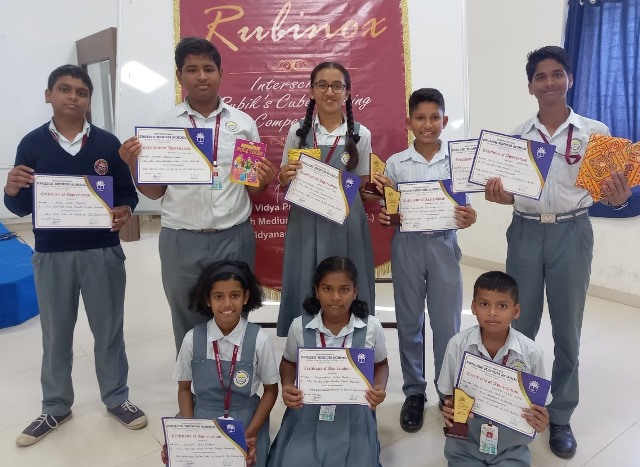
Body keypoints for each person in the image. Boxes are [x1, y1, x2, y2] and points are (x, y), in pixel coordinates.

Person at [484, 46, 631, 459]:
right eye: (540, 76)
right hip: (526, 233)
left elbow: (610, 192)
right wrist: (498, 195)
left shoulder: (595, 134)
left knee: (568, 329)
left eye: (557, 74)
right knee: (521, 325)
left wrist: (619, 200)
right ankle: (518, 405)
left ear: (569, 79)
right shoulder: (515, 138)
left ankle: (561, 415)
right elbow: (509, 191)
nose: (549, 82)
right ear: (530, 86)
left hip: (573, 232)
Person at [3, 65, 145, 447]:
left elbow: (127, 194)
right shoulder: (32, 144)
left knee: (109, 331)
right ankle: (55, 406)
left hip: (102, 252)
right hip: (52, 255)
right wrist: (10, 189)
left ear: (89, 100)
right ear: (48, 95)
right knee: (56, 333)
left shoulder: (105, 143)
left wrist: (125, 211)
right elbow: (18, 207)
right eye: (64, 90)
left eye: (81, 92)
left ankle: (116, 397)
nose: (73, 97)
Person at [118, 37, 276, 354]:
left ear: (220, 73)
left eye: (208, 69)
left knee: (234, 316)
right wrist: (134, 166)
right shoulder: (163, 126)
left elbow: (252, 187)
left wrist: (263, 179)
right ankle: (192, 394)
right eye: (192, 69)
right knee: (186, 317)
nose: (201, 76)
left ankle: (235, 386)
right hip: (181, 238)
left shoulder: (242, 124)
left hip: (233, 235)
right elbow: (154, 191)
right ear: (180, 76)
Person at [376, 88, 477, 433]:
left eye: (435, 117)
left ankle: (447, 392)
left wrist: (469, 216)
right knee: (408, 322)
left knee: (447, 325)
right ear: (409, 122)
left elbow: (465, 208)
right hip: (406, 246)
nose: (428, 124)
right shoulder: (396, 164)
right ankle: (414, 392)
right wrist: (389, 215)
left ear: (444, 121)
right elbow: (389, 209)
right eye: (420, 117)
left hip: (443, 246)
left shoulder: (457, 161)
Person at [276, 62, 376, 337]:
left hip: (347, 220)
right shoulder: (297, 131)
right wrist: (285, 176)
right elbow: (284, 179)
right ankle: (305, 347)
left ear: (347, 92)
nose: (329, 92)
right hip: (307, 218)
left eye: (337, 86)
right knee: (307, 276)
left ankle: (354, 345)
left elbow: (363, 189)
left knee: (346, 278)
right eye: (322, 85)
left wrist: (380, 189)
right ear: (311, 91)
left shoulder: (361, 134)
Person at [267, 256, 388, 467]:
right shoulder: (299, 326)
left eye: (344, 290)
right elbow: (288, 362)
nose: (335, 297)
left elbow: (381, 364)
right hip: (307, 406)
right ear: (316, 290)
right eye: (327, 289)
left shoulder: (371, 327)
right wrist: (287, 385)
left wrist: (379, 388)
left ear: (355, 291)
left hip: (354, 411)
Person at [167, 260, 278, 466]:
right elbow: (184, 389)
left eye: (234, 295)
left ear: (245, 297)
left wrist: (250, 433)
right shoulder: (192, 338)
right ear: (208, 300)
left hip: (246, 419)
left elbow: (271, 390)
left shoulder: (260, 339)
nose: (227, 304)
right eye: (218, 296)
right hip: (203, 417)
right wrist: (190, 431)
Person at [438, 271, 550, 466]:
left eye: (502, 306)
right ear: (473, 307)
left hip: (511, 448)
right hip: (465, 445)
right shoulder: (457, 345)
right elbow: (449, 395)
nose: (492, 312)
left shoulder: (531, 353)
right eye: (484, 304)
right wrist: (449, 409)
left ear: (516, 311)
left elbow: (539, 406)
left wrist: (542, 420)